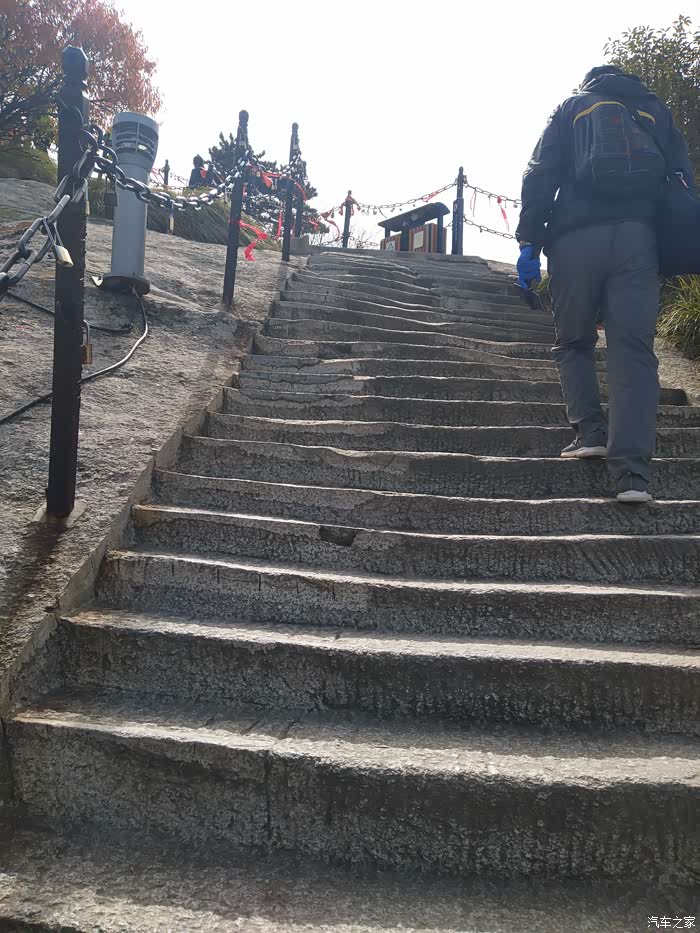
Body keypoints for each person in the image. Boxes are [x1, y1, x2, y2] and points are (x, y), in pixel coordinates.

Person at [515, 65, 695, 503]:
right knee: (633, 352)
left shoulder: (572, 107)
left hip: (574, 238)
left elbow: (540, 174)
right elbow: (683, 180)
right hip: (638, 240)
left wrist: (528, 243)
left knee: (573, 342)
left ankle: (590, 433)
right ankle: (632, 475)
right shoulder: (654, 109)